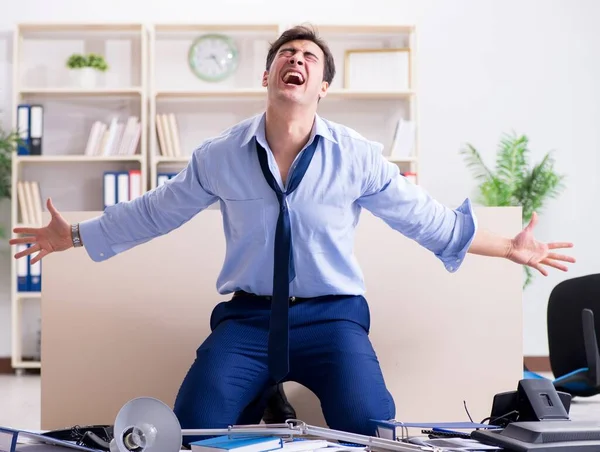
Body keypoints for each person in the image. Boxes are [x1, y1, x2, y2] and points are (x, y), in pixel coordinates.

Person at [10, 24, 575, 441]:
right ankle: (263, 395)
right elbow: (158, 211)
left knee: (373, 426)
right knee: (195, 428)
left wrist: (508, 248)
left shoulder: (356, 157)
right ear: (269, 75)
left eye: (308, 57)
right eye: (286, 54)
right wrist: (75, 237)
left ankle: (284, 399)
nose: (296, 61)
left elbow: (425, 220)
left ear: (322, 85)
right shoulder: (220, 155)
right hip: (248, 320)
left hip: (333, 320)